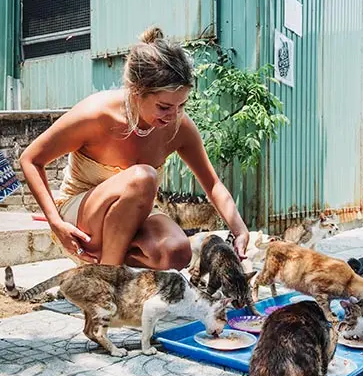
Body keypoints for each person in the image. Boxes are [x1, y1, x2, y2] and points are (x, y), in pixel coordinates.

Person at [20, 26, 250, 270]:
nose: (174, 116)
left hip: (133, 221)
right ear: (136, 92)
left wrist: (240, 229)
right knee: (142, 178)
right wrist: (55, 222)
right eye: (164, 107)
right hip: (82, 221)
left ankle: (114, 276)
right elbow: (30, 159)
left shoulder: (179, 127)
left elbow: (212, 184)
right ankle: (107, 285)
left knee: (176, 251)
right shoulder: (96, 114)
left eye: (181, 105)